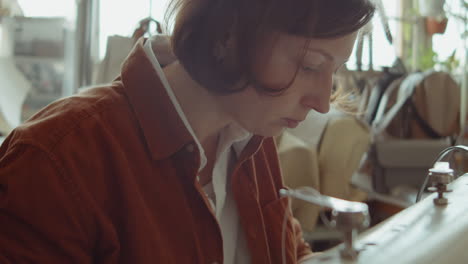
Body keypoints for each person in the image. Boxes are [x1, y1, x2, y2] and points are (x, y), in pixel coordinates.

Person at [0, 0, 375, 263]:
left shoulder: (250, 138)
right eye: (310, 65)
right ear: (229, 34)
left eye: (335, 69)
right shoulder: (54, 161)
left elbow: (285, 254)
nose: (323, 103)